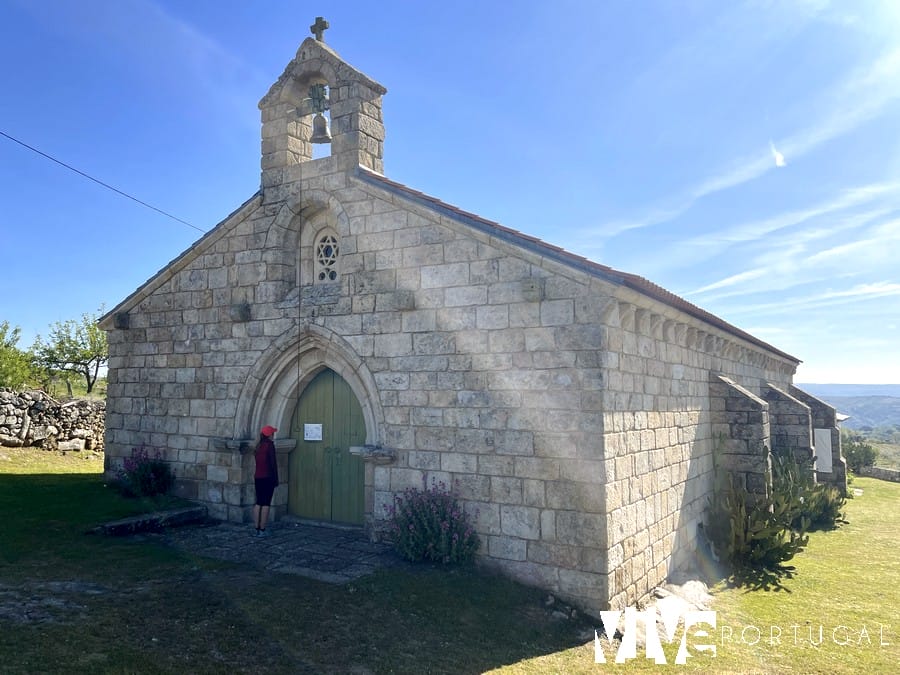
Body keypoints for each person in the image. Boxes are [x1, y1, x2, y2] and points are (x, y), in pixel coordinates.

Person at [253, 425, 279, 537]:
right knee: (266, 503)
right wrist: (276, 479)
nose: (273, 435)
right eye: (272, 433)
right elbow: (273, 464)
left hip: (258, 477)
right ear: (269, 435)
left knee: (259, 502)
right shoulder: (270, 446)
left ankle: (256, 528)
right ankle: (263, 529)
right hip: (268, 477)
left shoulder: (257, 447)